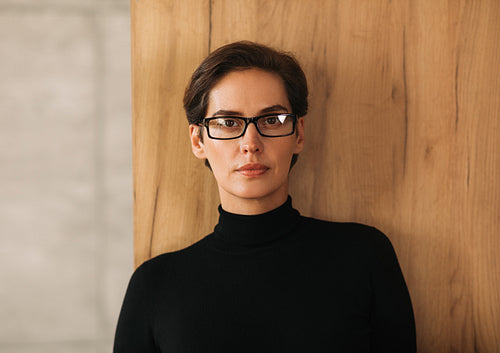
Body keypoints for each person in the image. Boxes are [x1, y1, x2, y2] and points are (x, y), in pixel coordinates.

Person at [114, 41, 416, 353]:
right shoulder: (155, 285)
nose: (250, 143)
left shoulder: (364, 256)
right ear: (198, 140)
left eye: (271, 120)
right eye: (229, 122)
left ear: (298, 133)